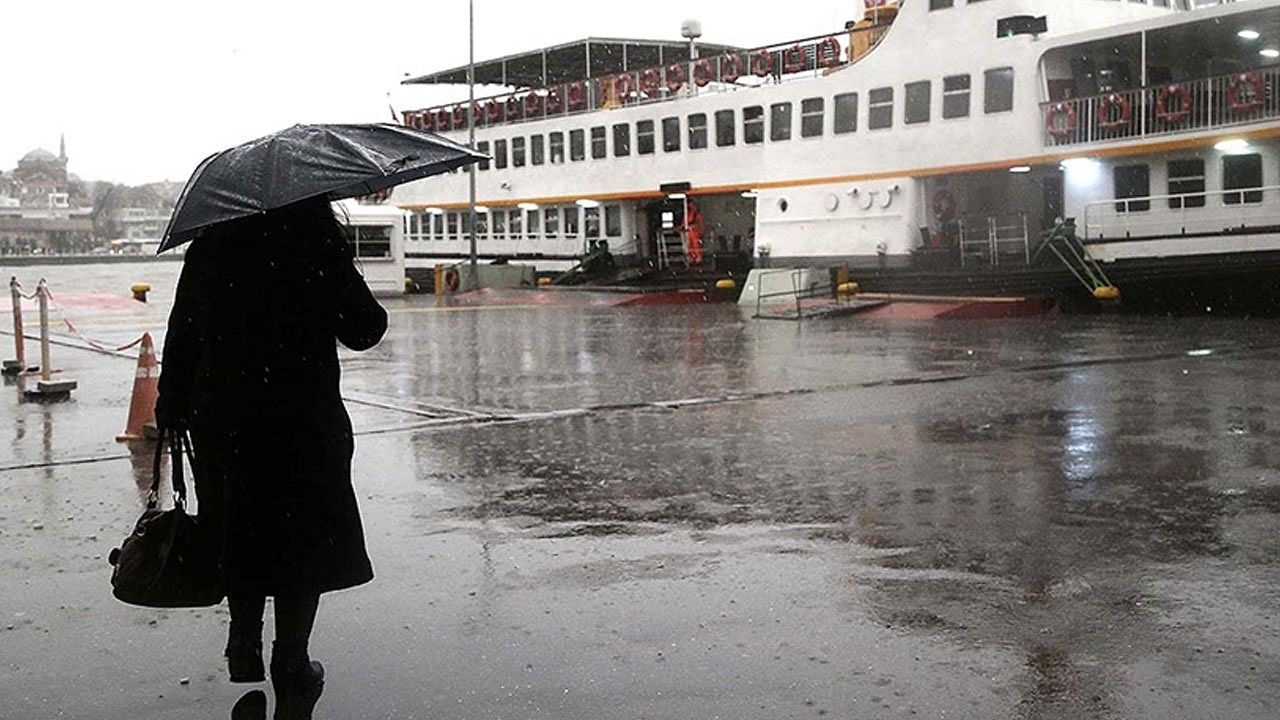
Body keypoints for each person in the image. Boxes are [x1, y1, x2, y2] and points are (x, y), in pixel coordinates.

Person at [155, 197, 387, 720]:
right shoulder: (313, 243)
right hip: (301, 418)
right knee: (302, 536)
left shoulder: (213, 242)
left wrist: (171, 402)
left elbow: (183, 328)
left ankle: (243, 642)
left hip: (223, 419)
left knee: (239, 522)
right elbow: (365, 328)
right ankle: (292, 660)